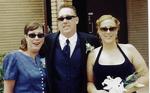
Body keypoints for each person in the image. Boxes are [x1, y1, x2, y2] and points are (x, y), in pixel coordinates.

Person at [40, 4, 100, 93]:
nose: (64, 21)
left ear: (77, 20)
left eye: (68, 17)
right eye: (61, 19)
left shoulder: (91, 40)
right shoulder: (48, 41)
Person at [87, 15, 149, 93]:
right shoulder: (92, 55)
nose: (108, 32)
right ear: (98, 31)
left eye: (112, 28)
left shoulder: (130, 49)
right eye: (104, 29)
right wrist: (95, 91)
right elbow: (90, 82)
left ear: (117, 30)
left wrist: (126, 90)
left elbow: (145, 75)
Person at [3, 21, 46, 93]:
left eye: (40, 35)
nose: (36, 38)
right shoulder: (14, 58)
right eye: (32, 35)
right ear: (26, 37)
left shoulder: (42, 57)